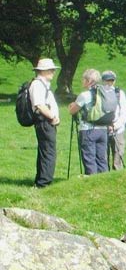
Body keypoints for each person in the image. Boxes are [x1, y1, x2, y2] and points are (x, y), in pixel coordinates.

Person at [68, 69, 109, 175]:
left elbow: (72, 111)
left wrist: (72, 106)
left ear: (89, 80)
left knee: (89, 160)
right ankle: (104, 184)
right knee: (102, 160)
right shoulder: (105, 93)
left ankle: (91, 184)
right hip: (103, 130)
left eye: (84, 79)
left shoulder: (85, 95)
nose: (82, 81)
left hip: (88, 130)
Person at [29, 58, 61, 188]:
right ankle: (44, 183)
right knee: (48, 151)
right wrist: (53, 117)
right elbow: (40, 105)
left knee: (46, 150)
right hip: (44, 121)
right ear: (43, 71)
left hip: (46, 121)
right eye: (51, 70)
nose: (53, 72)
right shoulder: (37, 84)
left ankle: (42, 180)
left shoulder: (42, 84)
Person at [102, 70, 126, 170]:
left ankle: (117, 177)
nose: (109, 83)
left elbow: (124, 113)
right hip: (103, 128)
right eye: (107, 81)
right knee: (103, 157)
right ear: (103, 81)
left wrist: (115, 126)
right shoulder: (100, 93)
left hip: (118, 130)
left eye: (111, 81)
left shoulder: (119, 93)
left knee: (118, 156)